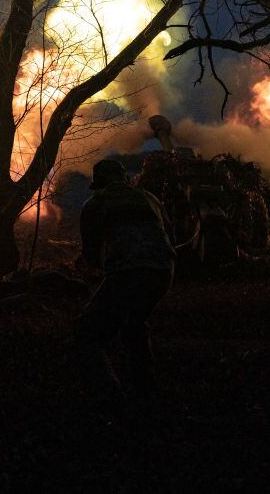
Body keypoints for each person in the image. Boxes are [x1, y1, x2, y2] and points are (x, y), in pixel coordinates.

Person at [75, 158, 175, 395]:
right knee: (135, 322)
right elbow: (170, 235)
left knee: (86, 332)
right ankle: (145, 387)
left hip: (126, 272)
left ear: (100, 182)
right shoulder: (149, 198)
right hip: (163, 271)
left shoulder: (96, 203)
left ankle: (108, 393)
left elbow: (91, 255)